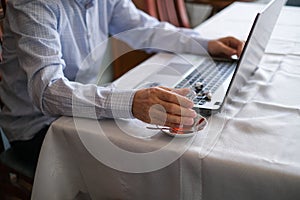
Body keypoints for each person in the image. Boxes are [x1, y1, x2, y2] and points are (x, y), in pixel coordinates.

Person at [0, 0, 244, 166]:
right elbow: (47, 91)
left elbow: (145, 29)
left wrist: (205, 44)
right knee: (152, 157)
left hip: (78, 112)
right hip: (37, 129)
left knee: (170, 147)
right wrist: (132, 102)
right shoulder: (33, 5)